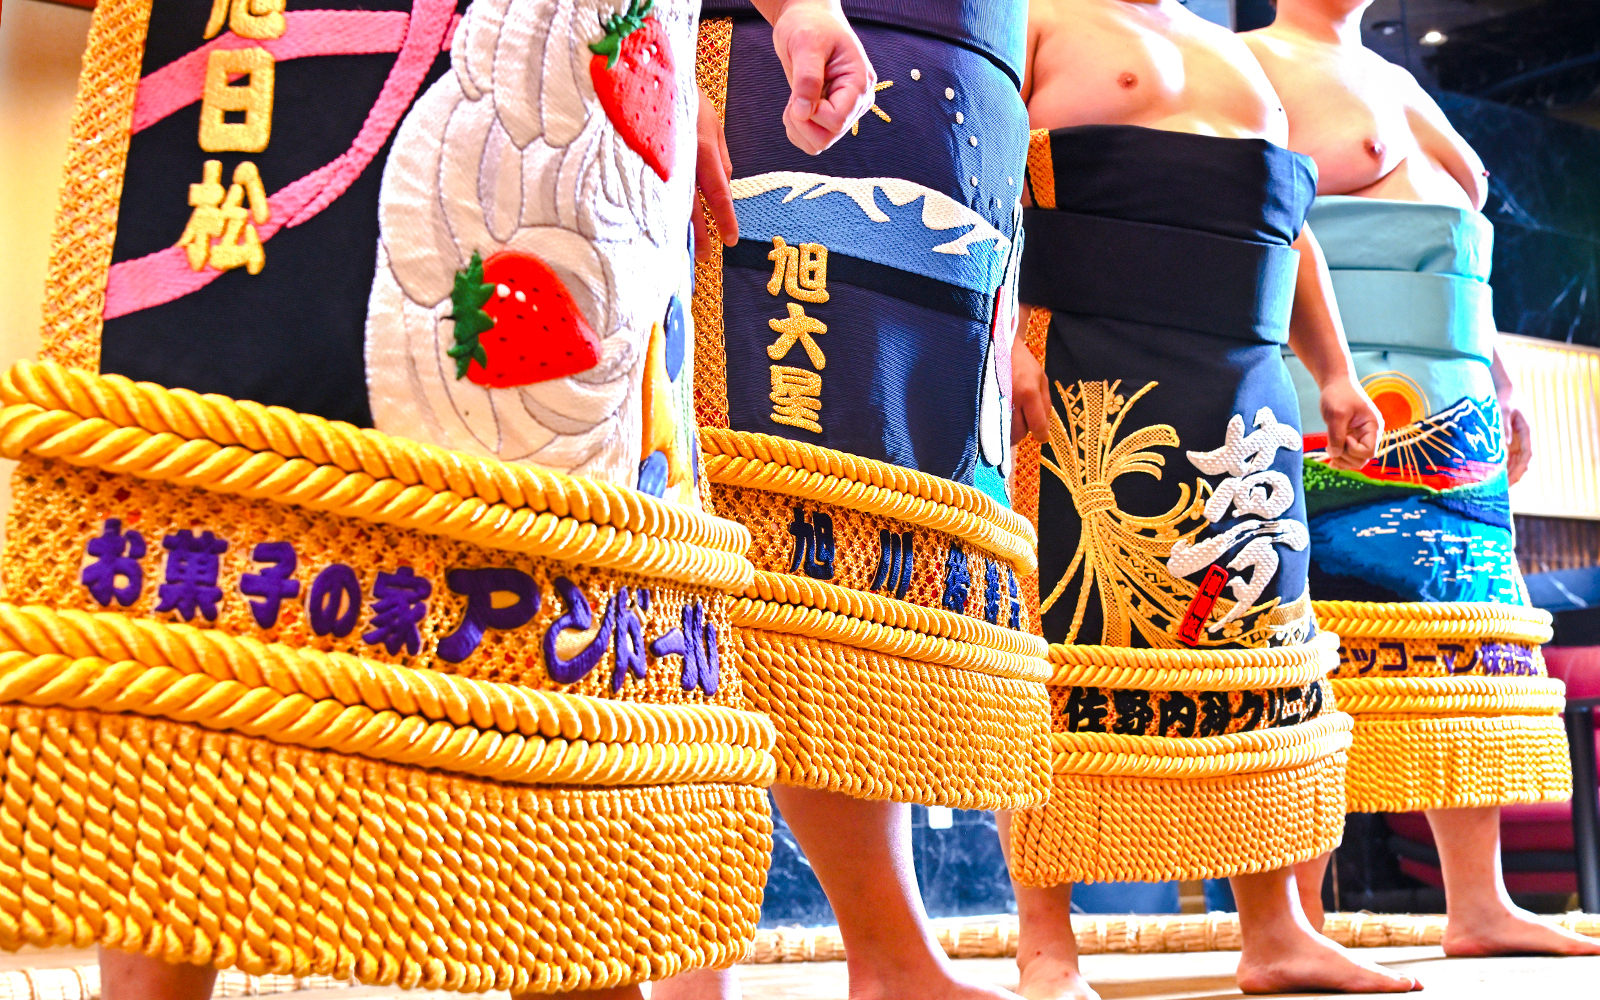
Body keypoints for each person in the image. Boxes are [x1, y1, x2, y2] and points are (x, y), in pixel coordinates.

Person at [95, 1, 874, 998]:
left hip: (572, 75)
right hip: (293, 58)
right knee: (202, 524)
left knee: (564, 570)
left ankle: (581, 968)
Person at [1002, 0, 1420, 996]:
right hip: (1086, 359)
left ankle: (1275, 930)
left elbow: (1293, 230)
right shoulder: (1034, 21)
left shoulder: (1232, 55)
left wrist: (1335, 373)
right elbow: (979, 180)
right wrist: (1000, 335)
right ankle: (1043, 942)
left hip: (1243, 377)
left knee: (1258, 640)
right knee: (1066, 628)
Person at [687, 2, 1050, 1000]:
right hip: (762, 80)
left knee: (851, 579)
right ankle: (679, 964)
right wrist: (658, 52)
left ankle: (890, 951)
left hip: (950, 158)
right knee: (716, 541)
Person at [1244, 0, 1600, 961]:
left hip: (1456, 399)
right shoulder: (1243, 67)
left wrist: (1504, 379)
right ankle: (1294, 921)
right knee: (1306, 646)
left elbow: (1464, 257)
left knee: (1464, 644)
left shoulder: (1402, 82)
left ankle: (1477, 906)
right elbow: (1250, 236)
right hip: (1326, 388)